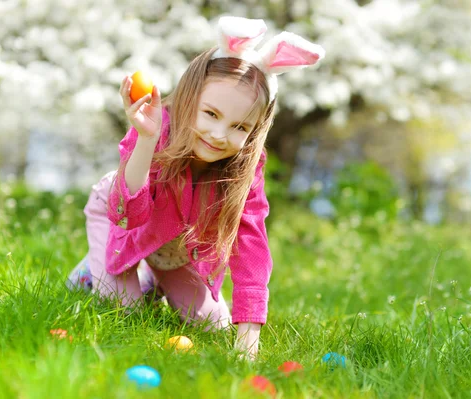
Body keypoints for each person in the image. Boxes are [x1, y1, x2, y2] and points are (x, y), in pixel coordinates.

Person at [67, 15, 325, 360]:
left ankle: (152, 282)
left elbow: (250, 244)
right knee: (122, 311)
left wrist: (248, 341)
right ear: (189, 99)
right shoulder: (158, 128)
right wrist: (147, 139)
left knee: (211, 326)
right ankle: (91, 272)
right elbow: (129, 214)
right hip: (123, 219)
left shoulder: (247, 166)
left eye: (239, 126)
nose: (219, 135)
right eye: (211, 114)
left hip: (175, 243)